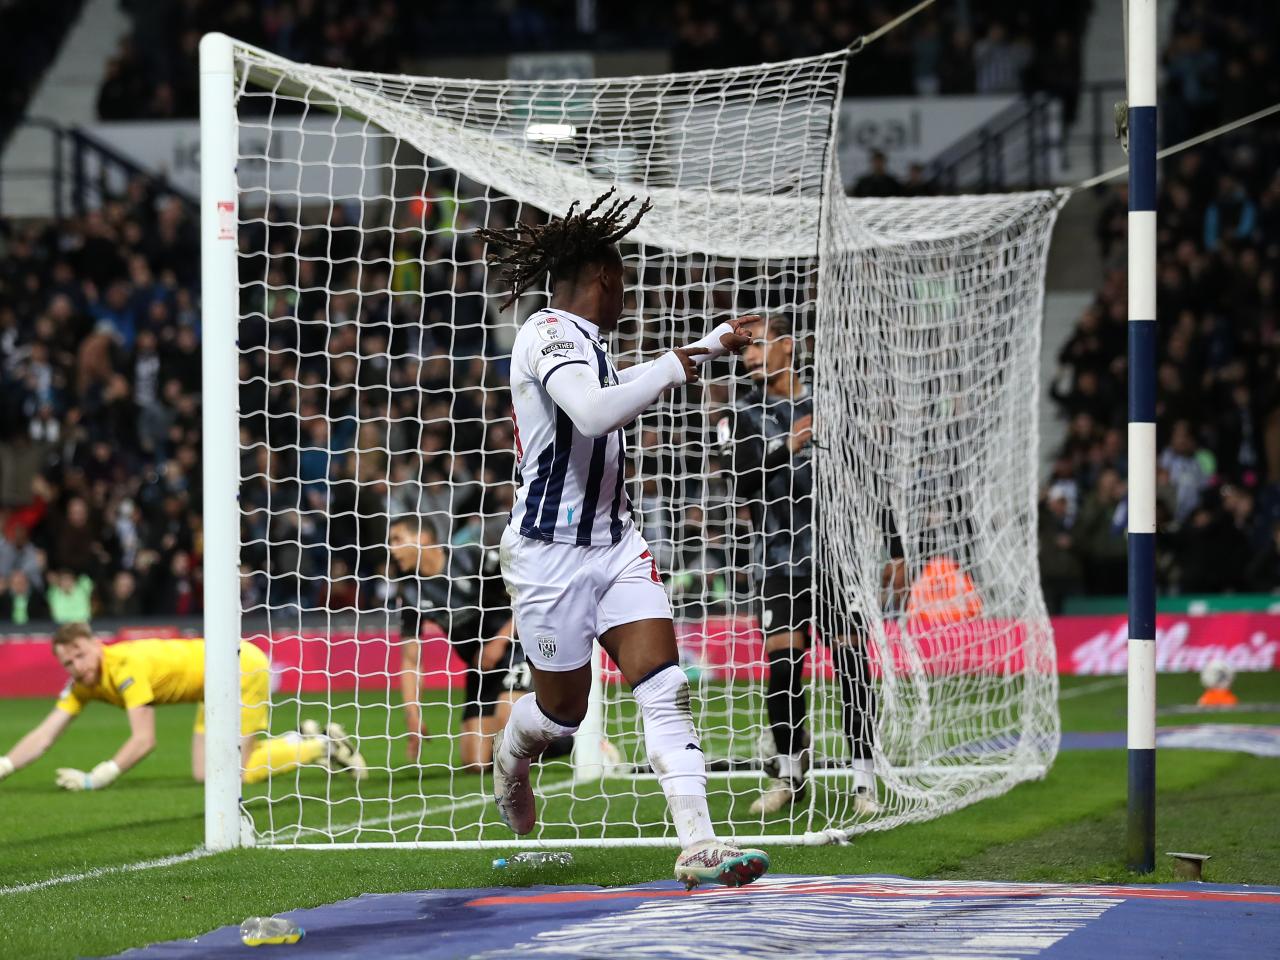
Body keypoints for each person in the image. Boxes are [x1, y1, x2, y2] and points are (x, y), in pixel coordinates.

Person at [477, 188, 768, 889]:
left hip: (615, 544)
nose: (627, 297)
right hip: (548, 556)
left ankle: (698, 844)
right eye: (625, 284)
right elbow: (594, 410)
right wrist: (674, 365)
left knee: (664, 688)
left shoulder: (590, 342)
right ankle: (511, 756)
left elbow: (617, 389)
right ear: (604, 280)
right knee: (563, 714)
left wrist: (699, 347)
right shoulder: (546, 334)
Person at [717, 315, 898, 817]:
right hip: (777, 560)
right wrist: (786, 446)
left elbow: (867, 476)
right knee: (781, 668)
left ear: (788, 347)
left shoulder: (830, 407)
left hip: (834, 558)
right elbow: (740, 482)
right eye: (745, 350)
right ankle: (792, 778)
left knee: (852, 666)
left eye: (759, 345)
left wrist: (895, 547)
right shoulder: (740, 416)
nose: (750, 356)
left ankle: (864, 784)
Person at [0, 622, 365, 790]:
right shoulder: (83, 683)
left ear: (97, 644)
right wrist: (4, 766)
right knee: (205, 774)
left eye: (80, 654)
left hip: (240, 668)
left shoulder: (124, 666)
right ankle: (304, 737)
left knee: (236, 774)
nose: (77, 666)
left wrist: (96, 778)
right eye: (69, 663)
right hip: (212, 685)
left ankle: (325, 746)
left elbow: (144, 740)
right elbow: (45, 734)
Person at [387, 514, 574, 769]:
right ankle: (550, 745)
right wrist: (412, 715)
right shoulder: (410, 591)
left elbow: (528, 596)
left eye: (397, 539)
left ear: (423, 537)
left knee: (511, 727)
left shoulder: (471, 559)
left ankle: (575, 742)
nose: (391, 548)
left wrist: (499, 641)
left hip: (516, 650)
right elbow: (411, 660)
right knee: (475, 762)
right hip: (481, 669)